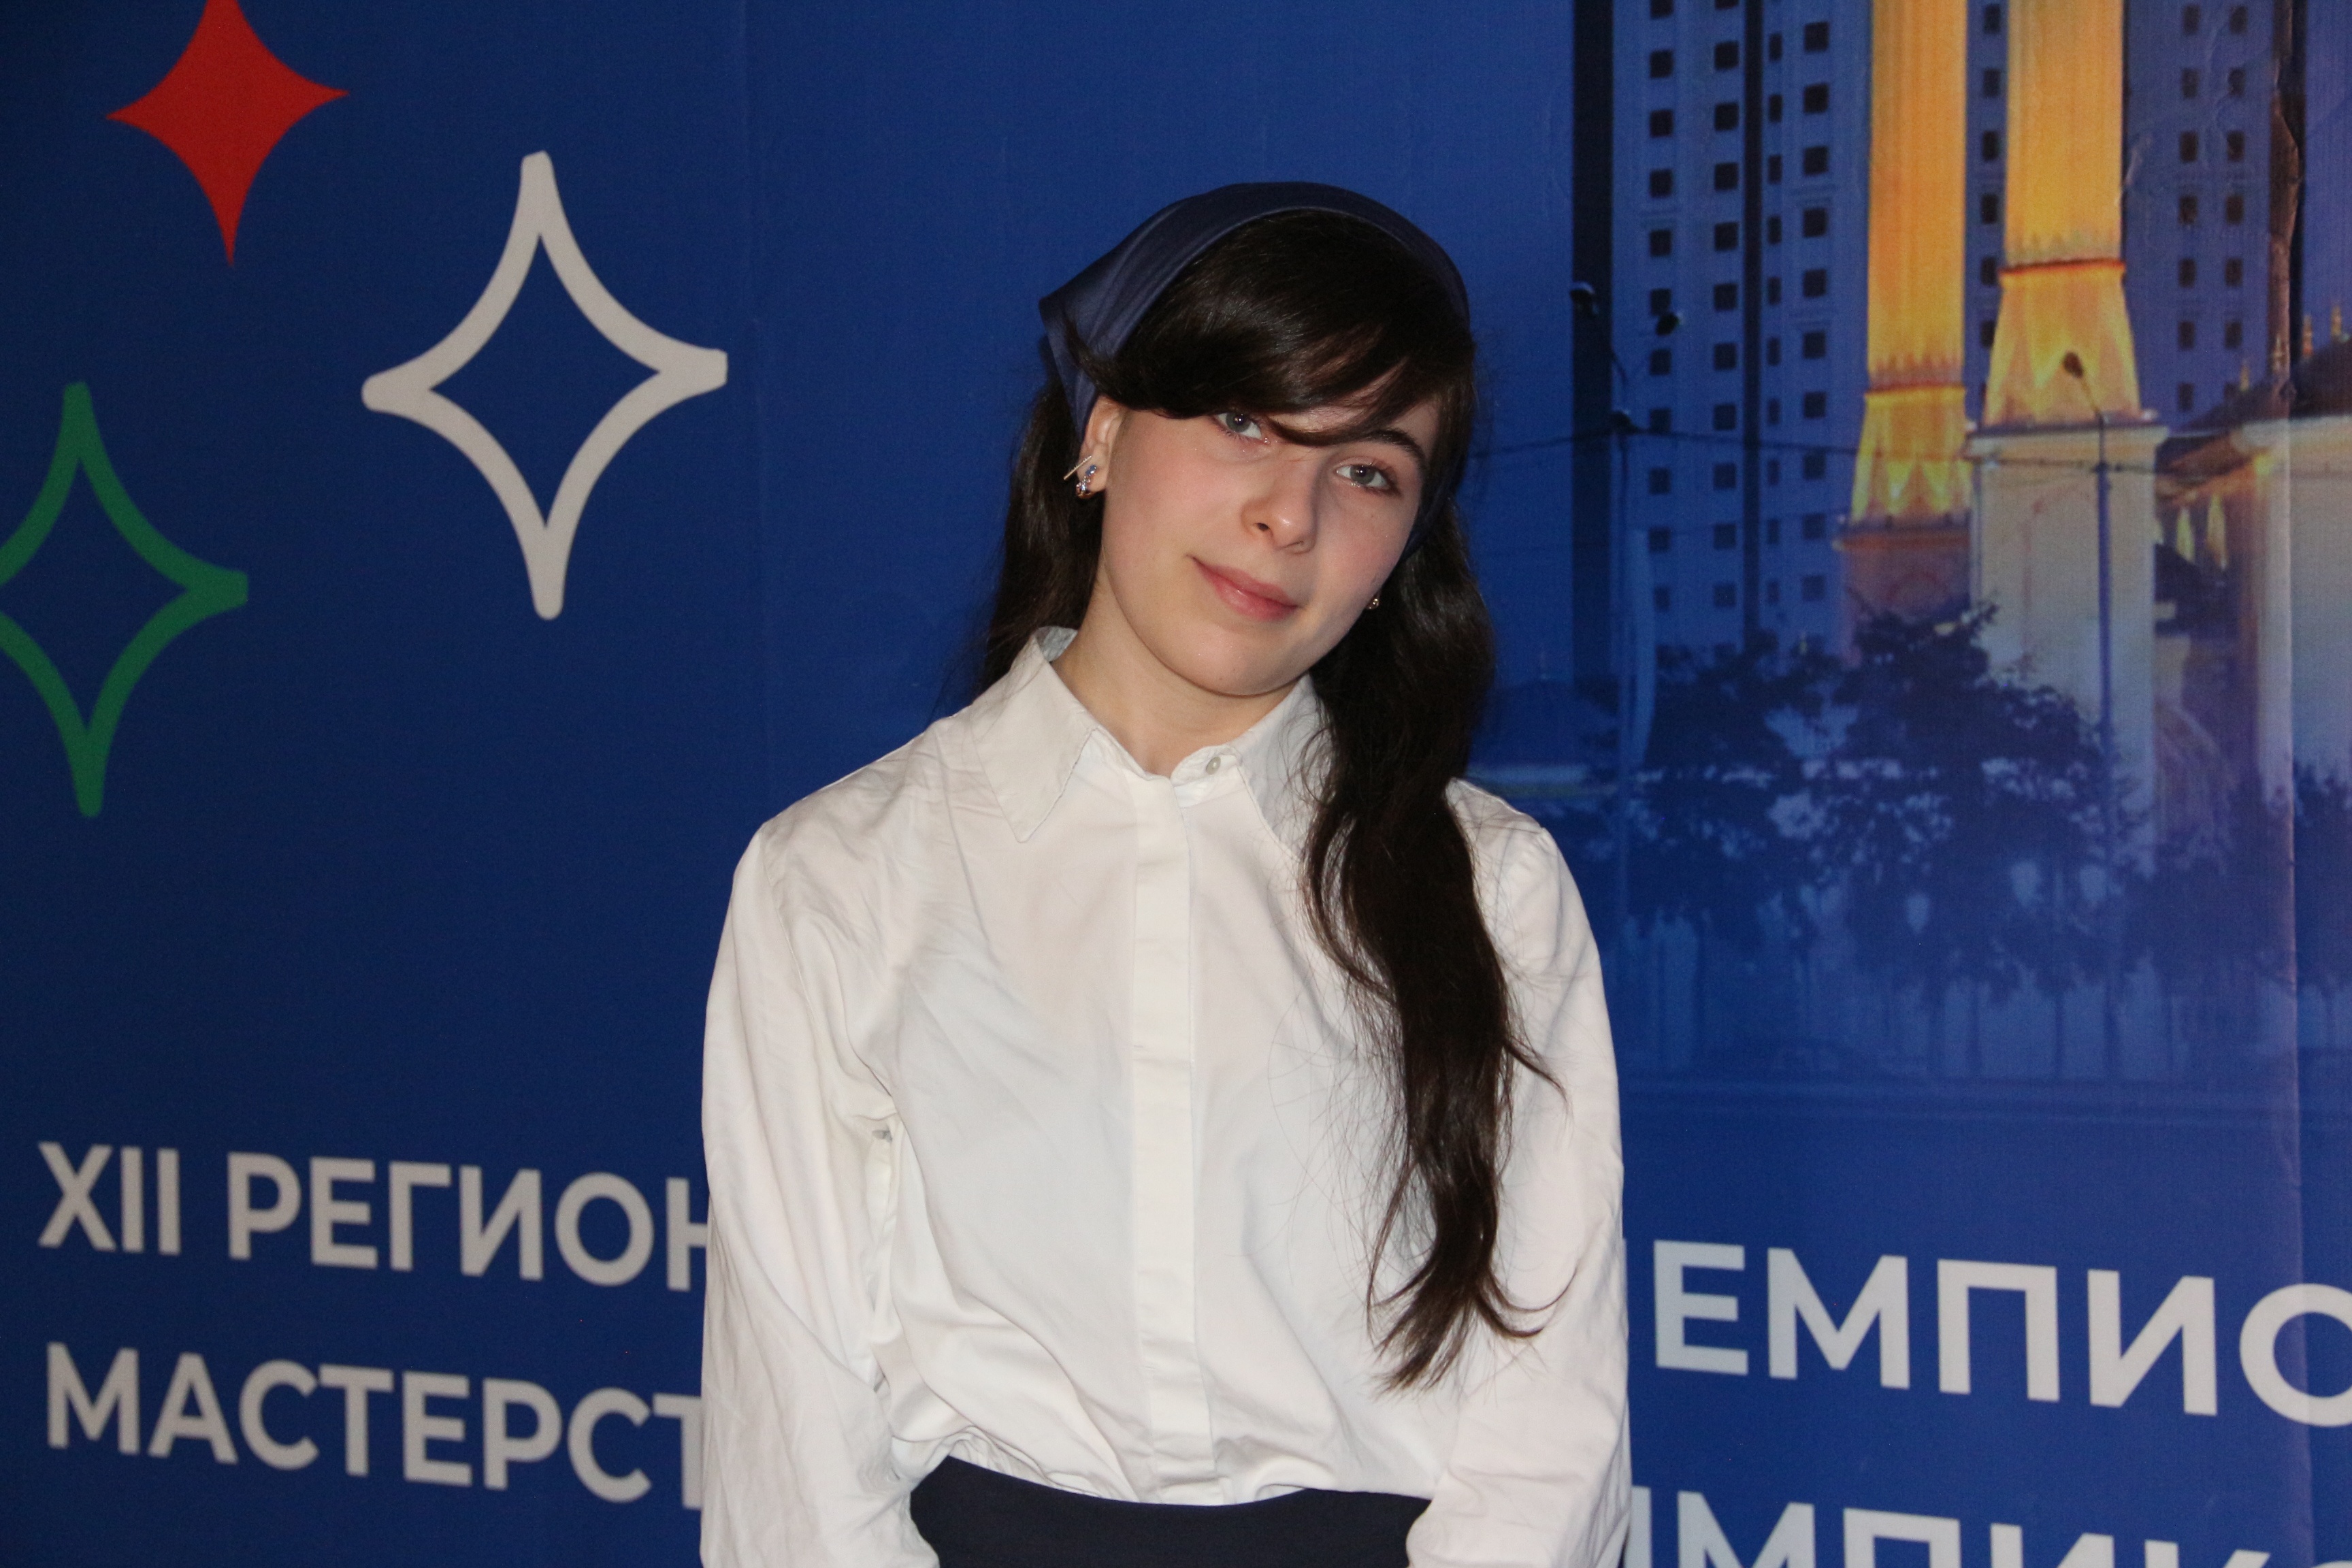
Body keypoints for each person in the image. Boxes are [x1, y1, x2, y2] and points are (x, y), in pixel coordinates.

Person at [698, 184, 1627, 1568]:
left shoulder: (1495, 888)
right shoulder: (840, 875)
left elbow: (1552, 1426)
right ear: (1104, 431)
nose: (1288, 515)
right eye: (1245, 421)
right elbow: (793, 1445)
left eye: (1369, 472)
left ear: (1403, 553)